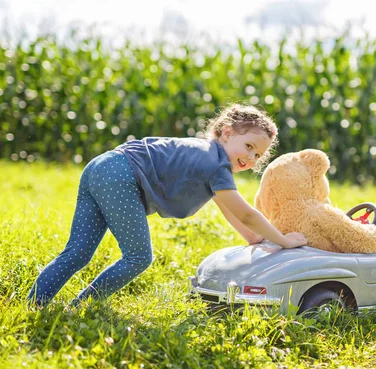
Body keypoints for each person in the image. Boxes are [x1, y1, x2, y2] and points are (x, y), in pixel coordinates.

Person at [27, 104, 307, 307]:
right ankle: (82, 306)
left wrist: (254, 239)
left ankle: (33, 304)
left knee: (77, 252)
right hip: (121, 175)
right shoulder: (216, 164)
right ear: (225, 132)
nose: (251, 157)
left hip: (102, 167)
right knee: (138, 257)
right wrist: (283, 241)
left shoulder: (207, 158)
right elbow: (246, 212)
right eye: (248, 146)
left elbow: (231, 211)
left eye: (258, 155)